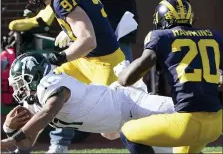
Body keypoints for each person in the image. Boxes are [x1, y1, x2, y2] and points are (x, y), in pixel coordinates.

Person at [1, 52, 175, 153]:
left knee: (189, 111)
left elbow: (49, 112)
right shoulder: (35, 101)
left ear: (35, 75)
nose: (19, 90)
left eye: (21, 82)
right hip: (120, 127)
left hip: (129, 103)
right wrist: (9, 129)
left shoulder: (51, 83)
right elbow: (26, 144)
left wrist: (13, 139)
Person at [117, 0, 223, 154]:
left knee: (127, 132)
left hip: (186, 123)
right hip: (215, 125)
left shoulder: (161, 36)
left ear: (163, 19)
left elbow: (126, 80)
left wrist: (122, 72)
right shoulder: (214, 36)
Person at [27, 0, 125, 153]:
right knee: (47, 87)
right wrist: (70, 31)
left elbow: (88, 40)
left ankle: (149, 133)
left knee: (109, 131)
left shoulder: (61, 1)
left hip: (105, 62)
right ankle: (33, 144)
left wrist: (61, 56)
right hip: (83, 60)